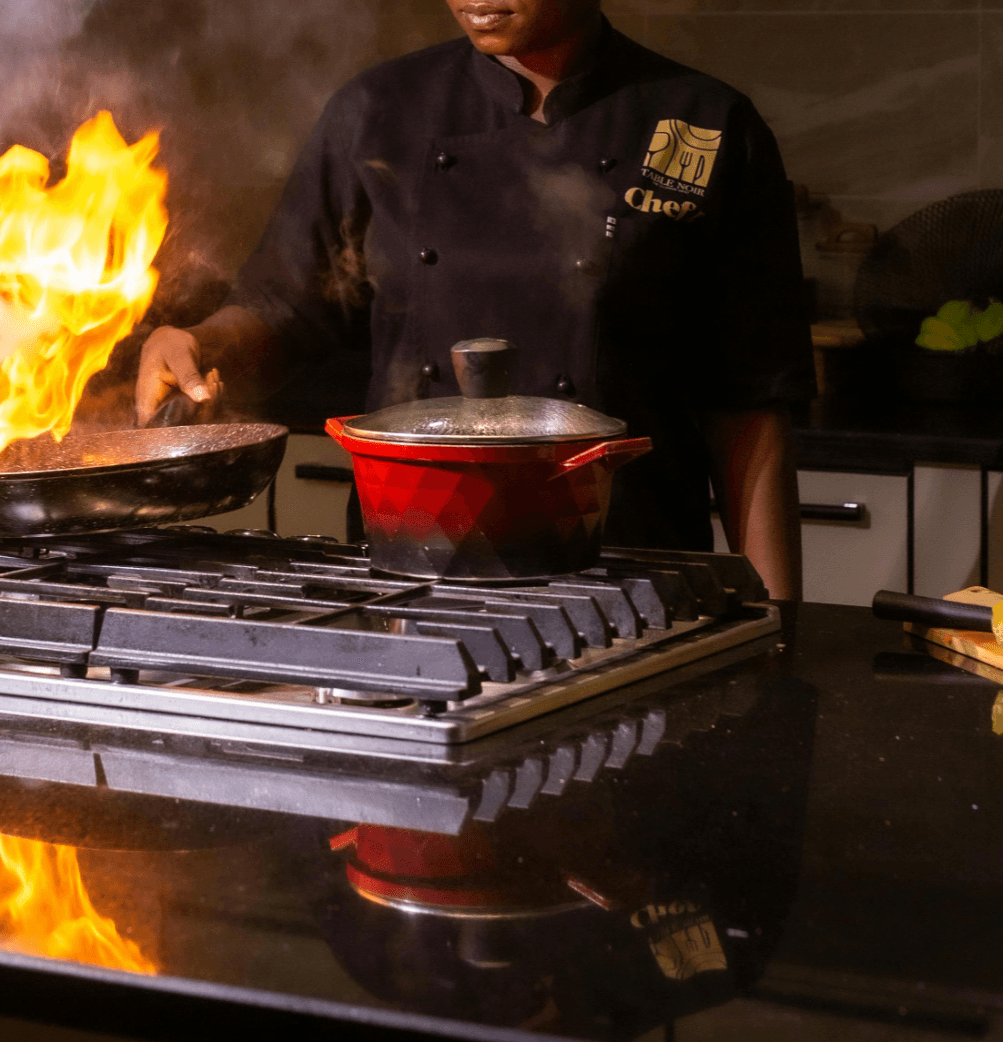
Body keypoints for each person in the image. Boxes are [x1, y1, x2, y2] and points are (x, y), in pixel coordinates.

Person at [135, 0, 815, 599]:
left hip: (633, 571)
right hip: (411, 571)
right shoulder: (380, 111)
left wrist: (780, 622)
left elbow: (750, 406)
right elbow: (285, 306)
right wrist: (201, 345)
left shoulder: (704, 121)